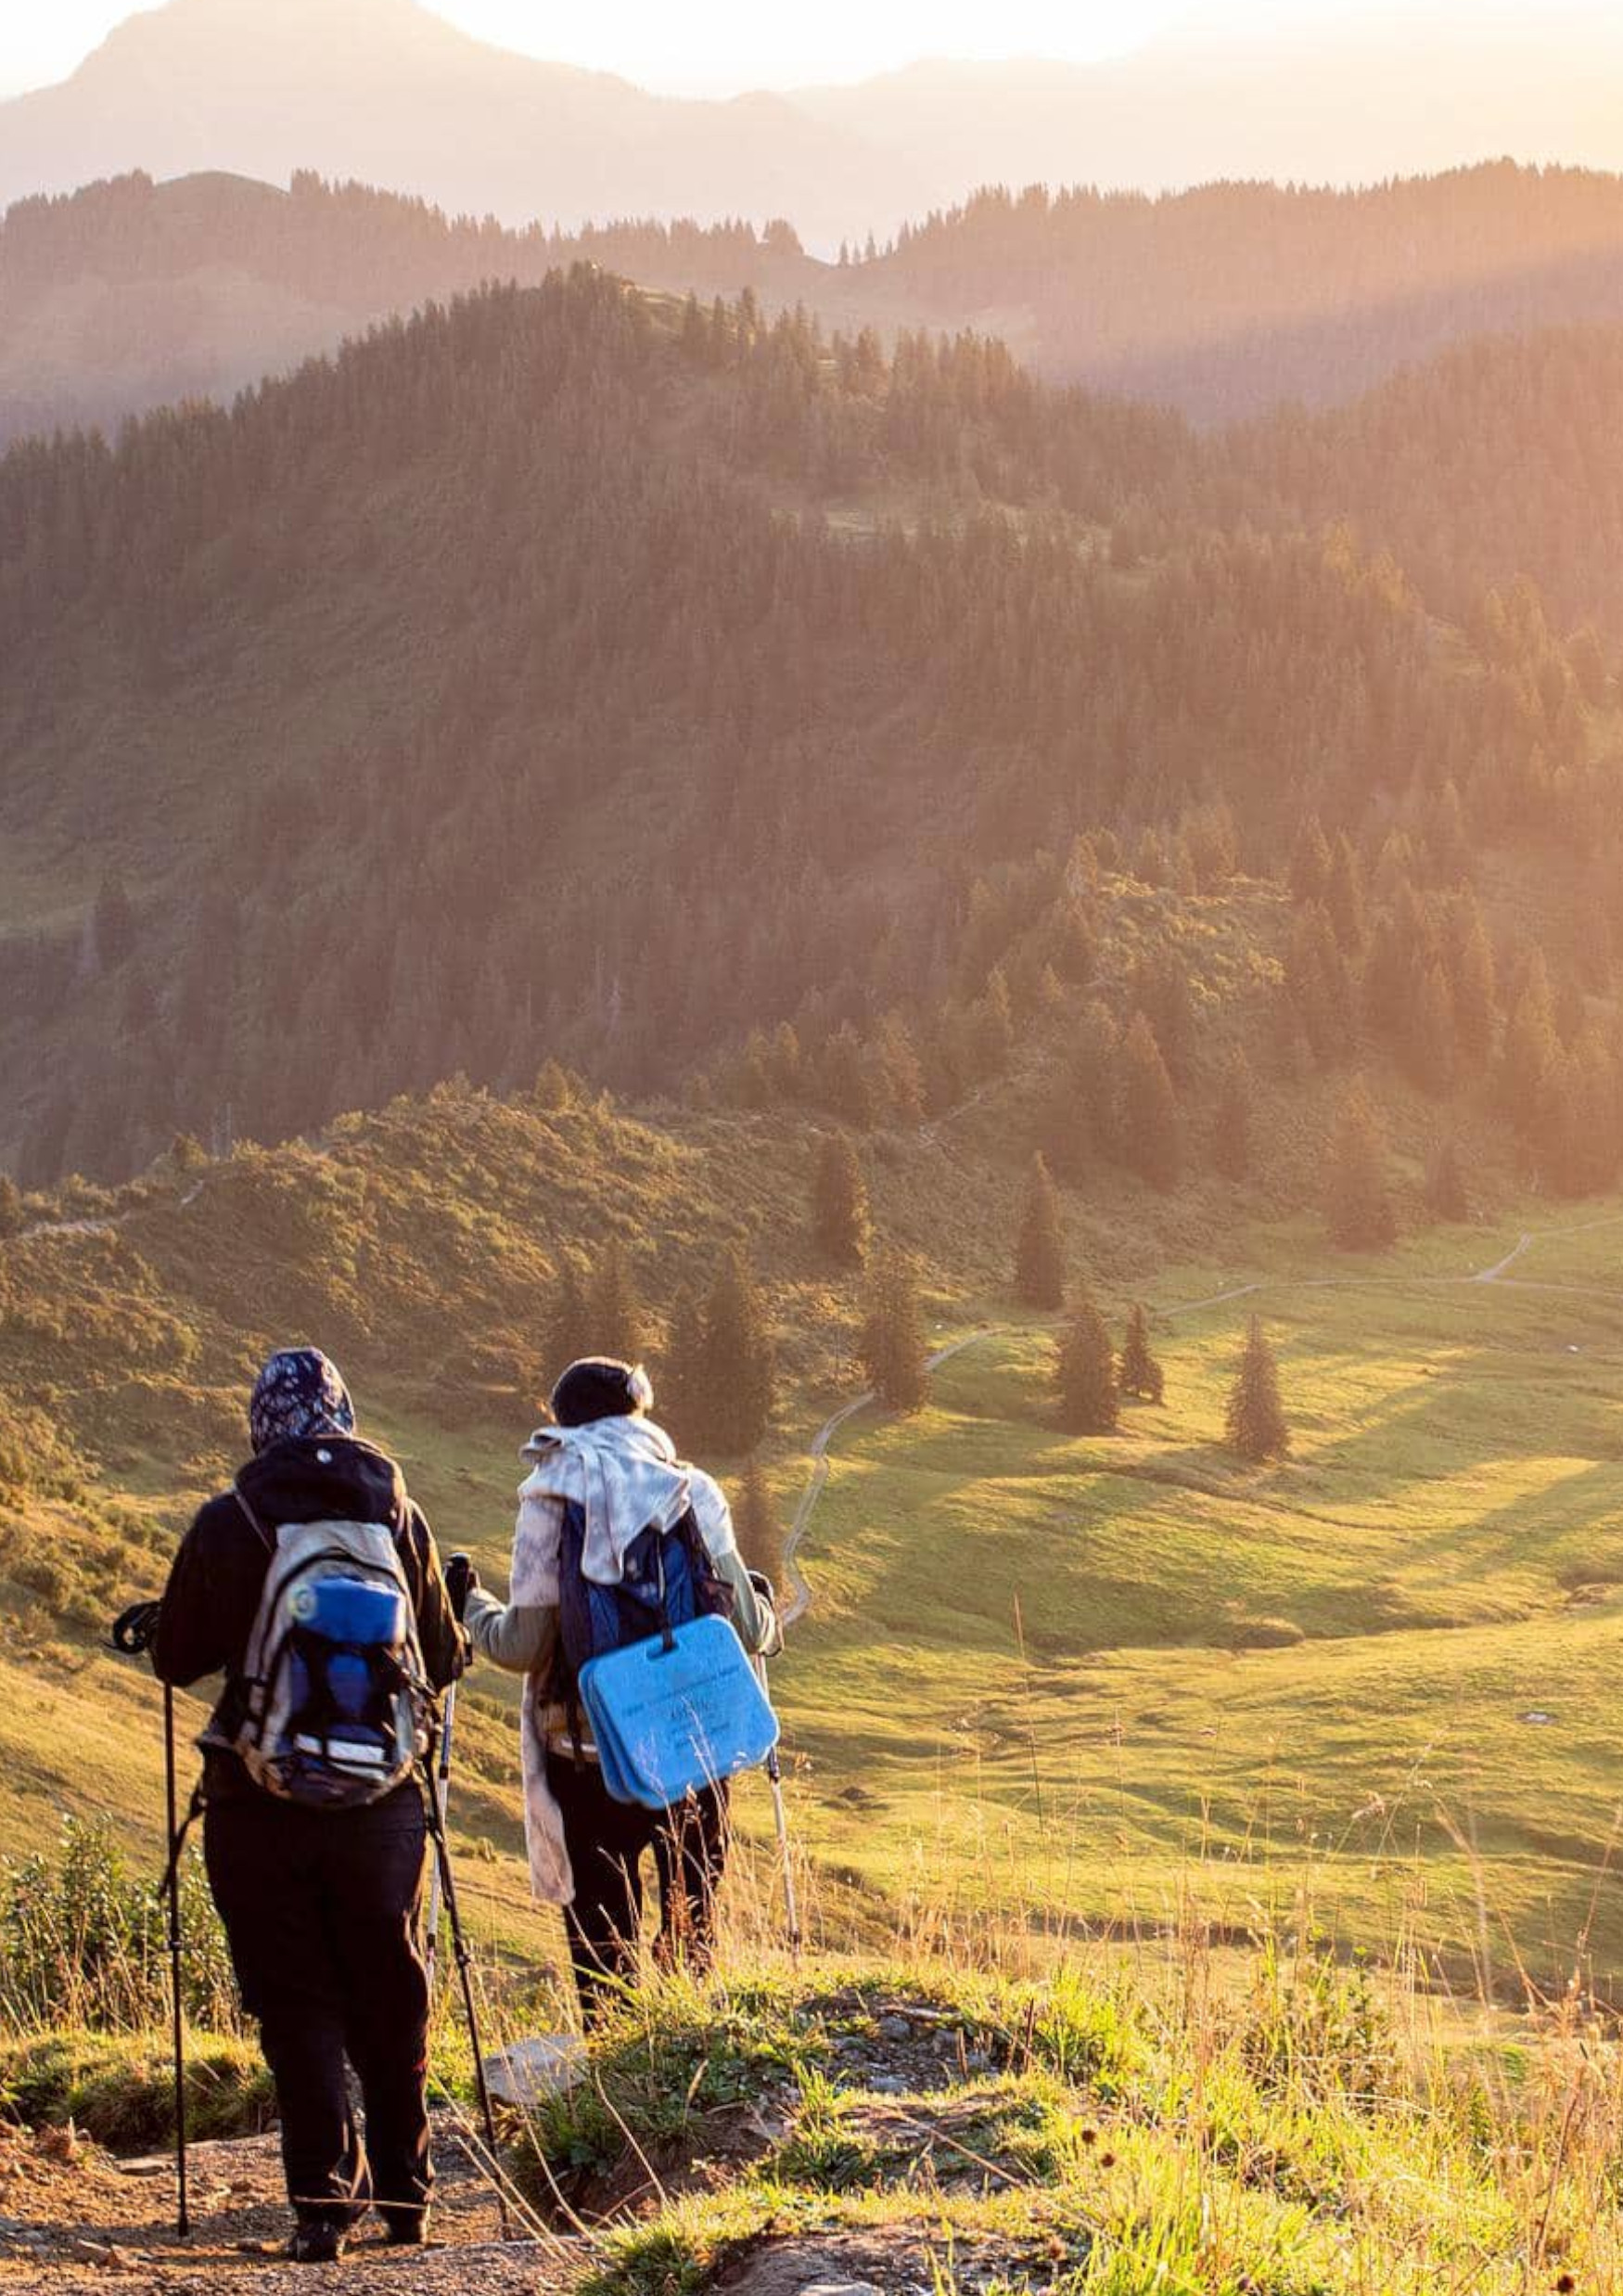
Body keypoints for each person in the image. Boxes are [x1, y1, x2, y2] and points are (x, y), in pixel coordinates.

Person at [151, 1348, 466, 2265]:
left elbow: (176, 1657)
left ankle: (323, 2205)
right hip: (384, 1806)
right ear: (344, 1414)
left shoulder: (231, 1518)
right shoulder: (397, 1514)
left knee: (296, 1997)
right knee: (388, 1985)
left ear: (262, 1424)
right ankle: (410, 2195)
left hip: (259, 1798)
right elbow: (442, 1661)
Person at [460, 1355, 778, 2027]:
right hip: (693, 1749)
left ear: (563, 1422)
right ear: (639, 1412)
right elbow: (745, 1628)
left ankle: (616, 2087)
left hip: (587, 1752)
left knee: (604, 1951)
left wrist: (472, 1607)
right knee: (692, 1933)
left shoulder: (549, 1495)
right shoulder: (692, 1488)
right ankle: (691, 2083)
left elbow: (522, 1645)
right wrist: (765, 1609)